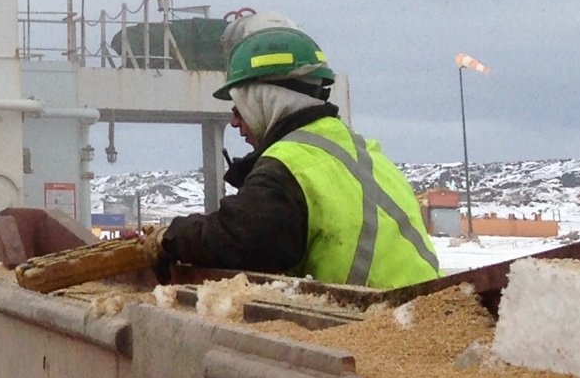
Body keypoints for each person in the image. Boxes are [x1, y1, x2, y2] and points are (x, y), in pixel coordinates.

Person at [156, 24, 441, 289]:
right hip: (424, 312)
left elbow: (239, 240)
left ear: (263, 100)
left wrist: (168, 237)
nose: (234, 122)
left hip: (373, 326)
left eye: (239, 108)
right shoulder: (363, 151)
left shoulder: (288, 164)